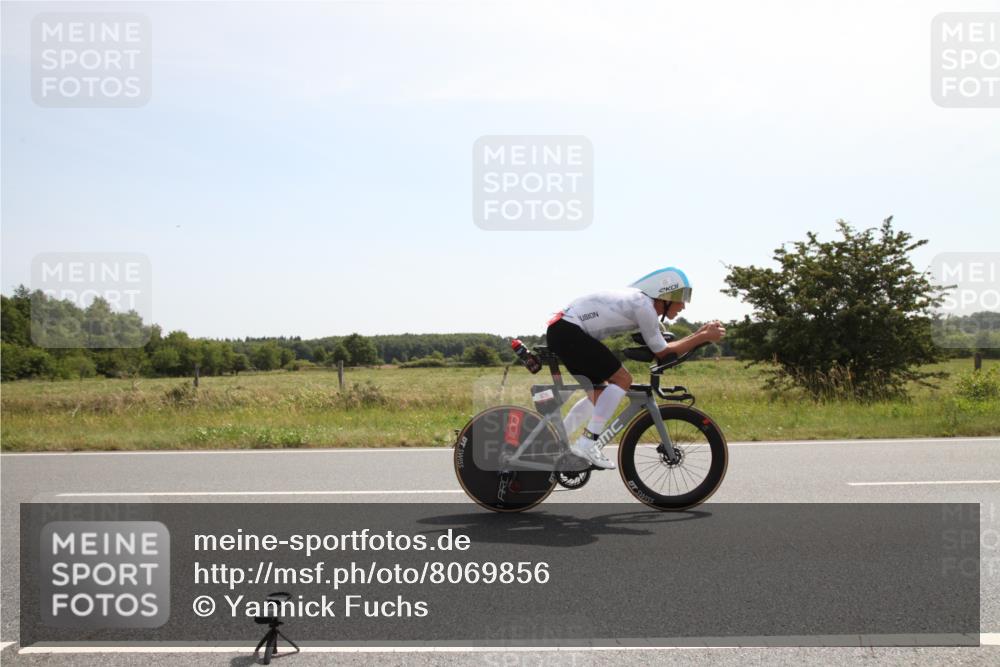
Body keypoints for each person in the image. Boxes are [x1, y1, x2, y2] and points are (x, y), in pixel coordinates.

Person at [546, 267, 726, 470]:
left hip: (563, 329)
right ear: (665, 295)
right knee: (623, 380)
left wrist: (699, 334)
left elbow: (662, 347)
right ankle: (587, 444)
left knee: (598, 395)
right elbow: (663, 352)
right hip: (569, 330)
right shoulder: (644, 307)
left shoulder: (640, 303)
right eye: (681, 297)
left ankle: (554, 443)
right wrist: (702, 336)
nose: (683, 305)